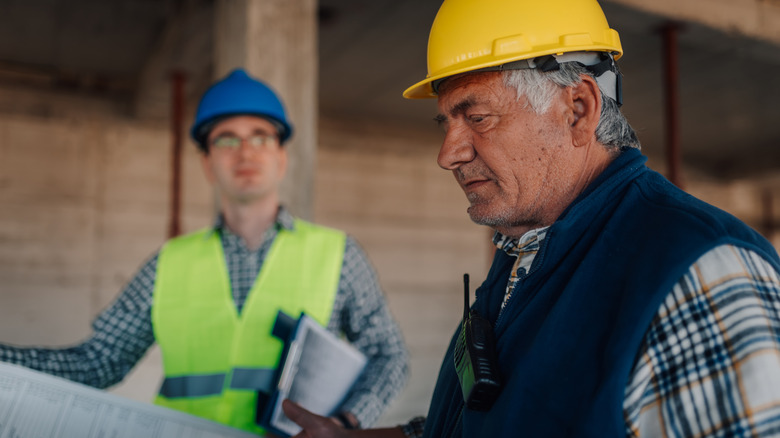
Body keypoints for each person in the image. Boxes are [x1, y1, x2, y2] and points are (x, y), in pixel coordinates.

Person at [280, 0, 780, 436]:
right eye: (447, 121)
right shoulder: (530, 251)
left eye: (477, 118)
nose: (448, 154)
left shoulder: (699, 274)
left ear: (578, 110)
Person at [0, 68, 409, 435]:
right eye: (226, 139)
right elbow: (98, 362)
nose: (245, 152)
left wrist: (343, 424)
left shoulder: (338, 254)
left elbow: (389, 356)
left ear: (281, 157)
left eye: (260, 137)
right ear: (207, 162)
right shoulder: (168, 264)